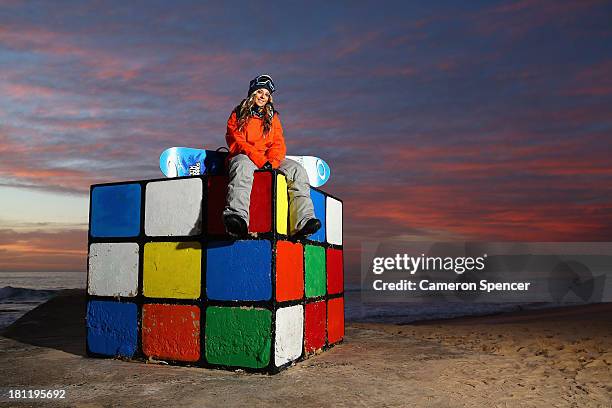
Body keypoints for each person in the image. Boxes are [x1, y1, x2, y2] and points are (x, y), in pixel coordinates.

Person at [223, 74, 321, 239]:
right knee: (242, 168)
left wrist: (273, 162)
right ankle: (237, 219)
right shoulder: (238, 113)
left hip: (269, 159)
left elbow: (278, 142)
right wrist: (261, 161)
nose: (263, 96)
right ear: (253, 93)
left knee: (297, 171)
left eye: (267, 94)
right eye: (260, 92)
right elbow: (235, 140)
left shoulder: (272, 117)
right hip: (245, 155)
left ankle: (303, 222)